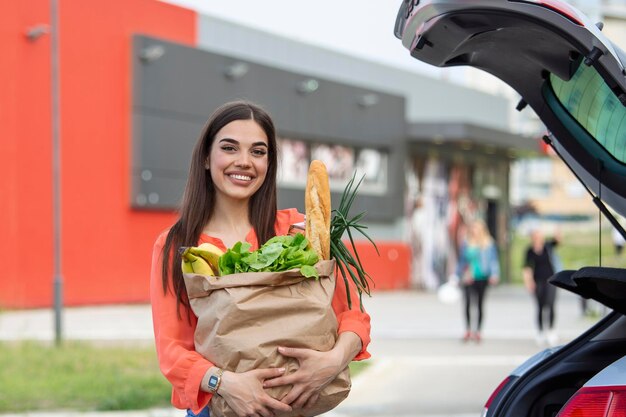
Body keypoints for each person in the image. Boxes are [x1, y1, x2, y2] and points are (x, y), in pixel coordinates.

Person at [150, 100, 371, 417]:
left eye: (258, 151)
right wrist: (227, 384)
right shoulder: (178, 246)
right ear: (205, 158)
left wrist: (333, 361)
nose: (244, 162)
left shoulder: (297, 231)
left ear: (270, 163)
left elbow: (353, 315)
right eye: (229, 148)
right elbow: (172, 350)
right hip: (221, 407)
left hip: (296, 407)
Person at [456, 219, 500, 343]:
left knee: (480, 304)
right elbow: (461, 261)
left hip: (482, 277)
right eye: (473, 228)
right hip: (468, 277)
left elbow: (493, 261)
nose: (474, 231)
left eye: (477, 228)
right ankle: (468, 330)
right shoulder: (466, 242)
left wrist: (494, 274)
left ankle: (478, 331)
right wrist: (456, 275)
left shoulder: (488, 243)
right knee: (468, 303)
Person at [523, 228, 560, 346]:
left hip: (550, 279)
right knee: (539, 306)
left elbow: (558, 241)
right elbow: (527, 268)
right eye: (536, 236)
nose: (538, 238)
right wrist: (529, 282)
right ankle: (540, 331)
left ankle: (551, 330)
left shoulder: (548, 246)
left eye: (540, 236)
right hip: (537, 280)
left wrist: (558, 231)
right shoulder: (529, 250)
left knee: (550, 304)